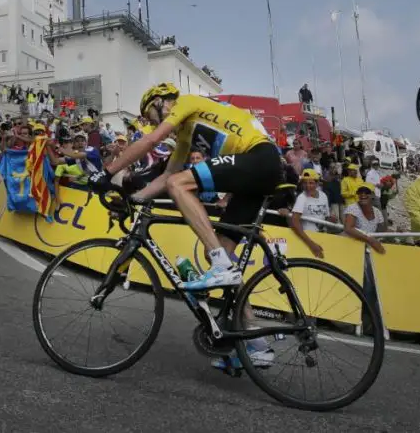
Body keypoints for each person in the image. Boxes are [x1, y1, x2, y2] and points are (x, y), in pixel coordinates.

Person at [89, 82, 281, 368]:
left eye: (151, 115)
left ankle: (220, 264)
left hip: (258, 157)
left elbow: (152, 141)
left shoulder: (186, 102)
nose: (153, 122)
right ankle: (256, 343)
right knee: (219, 249)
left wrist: (107, 173)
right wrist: (134, 199)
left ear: (162, 101)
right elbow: (167, 176)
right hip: (253, 178)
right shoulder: (186, 137)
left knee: (184, 187)